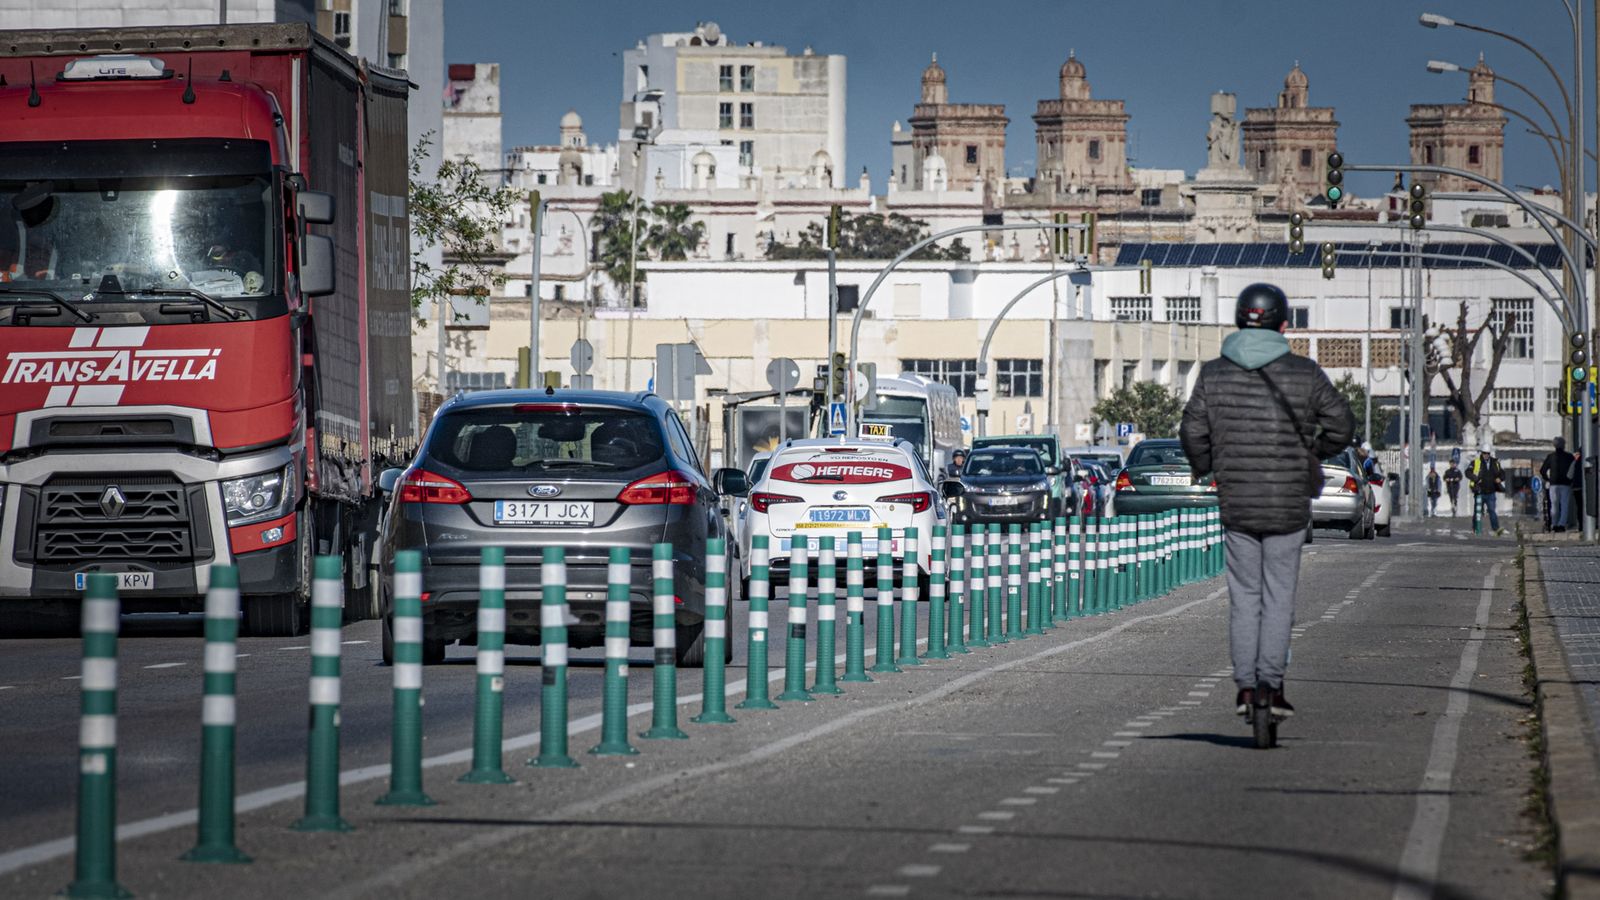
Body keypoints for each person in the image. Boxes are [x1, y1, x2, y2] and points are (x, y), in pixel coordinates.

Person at [1180, 283, 1354, 719]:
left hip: (1237, 502)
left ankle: (1244, 689)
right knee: (1278, 597)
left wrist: (1207, 466)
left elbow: (1192, 430)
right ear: (1284, 324)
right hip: (1289, 504)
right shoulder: (1305, 373)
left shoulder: (1213, 374)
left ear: (1239, 321)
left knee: (1244, 597)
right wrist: (1312, 452)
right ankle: (1271, 687)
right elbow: (1342, 426)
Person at [1540, 436, 1577, 532]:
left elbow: (1542, 470)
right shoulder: (1569, 457)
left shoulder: (1550, 457)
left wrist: (1547, 479)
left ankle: (1554, 524)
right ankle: (1562, 524)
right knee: (1564, 504)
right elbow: (1574, 469)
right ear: (1564, 445)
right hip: (1566, 484)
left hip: (1554, 484)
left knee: (1554, 505)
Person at [1468, 447, 1506, 536]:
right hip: (1480, 491)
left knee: (1492, 510)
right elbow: (1468, 472)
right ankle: (1475, 528)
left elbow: (1502, 474)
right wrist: (1476, 479)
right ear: (1482, 453)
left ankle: (1496, 529)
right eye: (1484, 453)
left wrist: (1500, 479)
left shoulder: (1495, 463)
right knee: (1477, 511)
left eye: (1488, 453)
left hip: (1491, 492)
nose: (1486, 455)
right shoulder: (1476, 462)